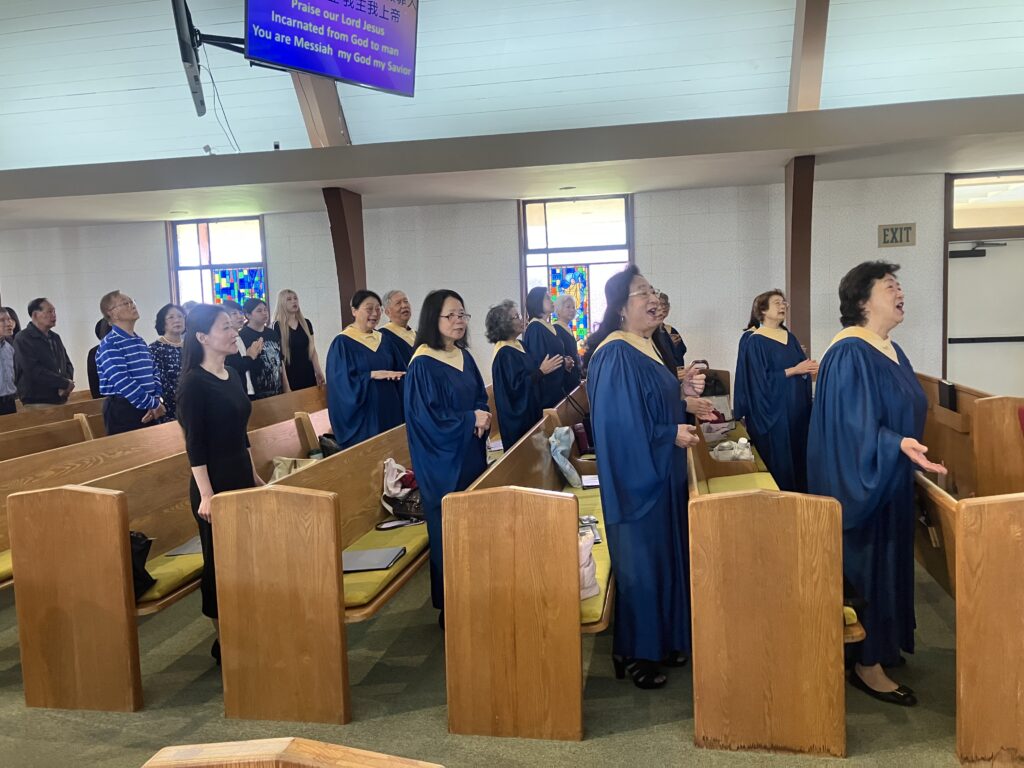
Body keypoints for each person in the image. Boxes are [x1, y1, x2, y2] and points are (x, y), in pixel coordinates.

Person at [808, 261, 946, 707]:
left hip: (890, 479)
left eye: (899, 285)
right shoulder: (849, 352)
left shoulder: (890, 349)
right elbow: (850, 431)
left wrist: (904, 449)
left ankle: (882, 647)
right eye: (890, 286)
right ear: (863, 300)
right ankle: (866, 664)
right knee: (869, 567)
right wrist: (894, 444)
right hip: (863, 484)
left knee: (890, 565)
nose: (900, 292)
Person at [586, 265, 701, 689]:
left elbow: (651, 403)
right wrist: (668, 433)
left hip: (662, 471)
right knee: (642, 564)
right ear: (620, 307)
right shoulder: (615, 353)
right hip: (636, 479)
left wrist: (684, 398)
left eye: (653, 290)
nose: (653, 298)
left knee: (665, 558)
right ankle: (636, 652)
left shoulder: (648, 346)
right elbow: (619, 426)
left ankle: (664, 638)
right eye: (641, 292)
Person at [176, 304, 265, 665]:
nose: (233, 333)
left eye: (233, 326)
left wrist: (254, 476)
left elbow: (241, 434)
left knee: (245, 559)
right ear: (202, 337)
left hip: (240, 475)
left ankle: (248, 629)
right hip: (213, 483)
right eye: (225, 328)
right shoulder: (193, 383)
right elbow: (194, 445)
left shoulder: (231, 374)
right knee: (220, 564)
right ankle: (224, 641)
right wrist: (207, 495)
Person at [404, 289, 490, 624]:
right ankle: (452, 607)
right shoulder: (423, 364)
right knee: (449, 529)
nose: (458, 321)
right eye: (450, 315)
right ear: (433, 319)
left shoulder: (463, 356)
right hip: (442, 462)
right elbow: (428, 421)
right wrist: (470, 419)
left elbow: (479, 397)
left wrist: (480, 415)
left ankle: (474, 595)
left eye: (462, 314)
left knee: (473, 526)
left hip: (469, 453)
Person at [733, 290, 817, 492]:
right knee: (780, 462)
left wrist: (808, 370)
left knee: (799, 456)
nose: (783, 306)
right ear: (763, 310)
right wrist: (794, 370)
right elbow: (758, 382)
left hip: (796, 409)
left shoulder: (790, 337)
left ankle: (801, 499)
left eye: (784, 303)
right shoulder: (755, 341)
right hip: (773, 413)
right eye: (777, 303)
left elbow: (801, 368)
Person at [325, 290, 406, 449]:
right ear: (354, 311)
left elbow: (400, 371)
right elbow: (339, 385)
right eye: (369, 309)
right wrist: (371, 375)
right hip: (366, 417)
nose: (374, 314)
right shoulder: (342, 343)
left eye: (378, 309)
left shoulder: (384, 340)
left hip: (391, 410)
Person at [485, 300, 561, 451]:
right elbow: (515, 390)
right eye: (517, 317)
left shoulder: (520, 345)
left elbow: (533, 370)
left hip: (532, 411)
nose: (522, 319)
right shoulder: (504, 354)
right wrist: (540, 372)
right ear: (504, 324)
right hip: (518, 421)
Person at [96, 291, 164, 435]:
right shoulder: (110, 344)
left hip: (148, 402)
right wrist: (153, 404)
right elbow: (123, 381)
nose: (132, 305)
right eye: (125, 303)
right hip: (124, 408)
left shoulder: (139, 340)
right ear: (112, 313)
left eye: (132, 301)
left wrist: (156, 398)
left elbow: (154, 370)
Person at [13, 297, 75, 407]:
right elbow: (33, 370)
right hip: (37, 400)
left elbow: (67, 364)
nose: (54, 315)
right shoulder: (23, 338)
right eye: (49, 312)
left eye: (54, 311)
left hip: (60, 397)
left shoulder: (55, 337)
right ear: (35, 315)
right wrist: (63, 383)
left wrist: (66, 384)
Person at [522, 286, 570, 408]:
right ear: (537, 302)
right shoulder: (535, 328)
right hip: (546, 392)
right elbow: (538, 363)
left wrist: (564, 362)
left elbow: (553, 355)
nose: (552, 301)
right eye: (547, 298)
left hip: (557, 387)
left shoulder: (548, 326)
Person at [273, 289, 325, 391]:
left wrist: (318, 371)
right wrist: (285, 384)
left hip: (307, 371)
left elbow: (312, 350)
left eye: (295, 298)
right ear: (282, 303)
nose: (294, 301)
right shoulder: (277, 326)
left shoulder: (306, 323)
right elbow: (279, 358)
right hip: (290, 374)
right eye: (289, 299)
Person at [239, 297, 288, 400]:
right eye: (259, 311)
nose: (264, 313)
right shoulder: (242, 336)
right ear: (248, 315)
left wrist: (287, 387)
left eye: (265, 310)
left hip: (277, 390)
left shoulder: (272, 333)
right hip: (256, 394)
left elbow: (280, 362)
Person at [149, 304, 186, 423]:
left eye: (180, 316)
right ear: (162, 323)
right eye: (171, 317)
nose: (177, 320)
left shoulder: (192, 346)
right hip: (171, 407)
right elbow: (161, 381)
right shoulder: (155, 349)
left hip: (196, 401)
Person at [221, 300, 259, 397]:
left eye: (241, 313)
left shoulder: (241, 336)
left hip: (250, 389)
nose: (240, 316)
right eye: (234, 313)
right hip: (237, 391)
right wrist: (250, 356)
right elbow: (234, 367)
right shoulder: (225, 341)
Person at [551, 294, 583, 391]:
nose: (572, 310)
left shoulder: (567, 328)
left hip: (574, 375)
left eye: (573, 307)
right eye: (568, 307)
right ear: (558, 310)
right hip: (565, 379)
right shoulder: (555, 329)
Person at [380, 289, 416, 367]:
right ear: (387, 312)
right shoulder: (382, 336)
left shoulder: (418, 335)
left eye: (406, 301)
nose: (404, 305)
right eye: (398, 303)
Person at [653, 292, 687, 369]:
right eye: (660, 304)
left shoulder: (670, 330)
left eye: (665, 304)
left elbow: (681, 351)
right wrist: (668, 344)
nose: (663, 307)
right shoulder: (648, 331)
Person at [87, 319, 111, 399]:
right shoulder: (115, 350)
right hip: (116, 400)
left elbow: (93, 384)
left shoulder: (93, 352)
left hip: (99, 398)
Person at [0, 307, 17, 415]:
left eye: (9, 319)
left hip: (10, 401)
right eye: (2, 320)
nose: (9, 323)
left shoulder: (10, 347)